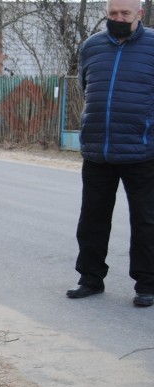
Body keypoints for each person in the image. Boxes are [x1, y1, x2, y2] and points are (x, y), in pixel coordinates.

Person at [67, 0, 154, 307]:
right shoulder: (91, 47)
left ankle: (147, 284)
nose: (118, 18)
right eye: (113, 13)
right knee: (92, 219)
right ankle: (90, 278)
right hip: (97, 151)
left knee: (146, 221)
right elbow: (86, 88)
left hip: (142, 151)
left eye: (125, 14)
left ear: (139, 14)